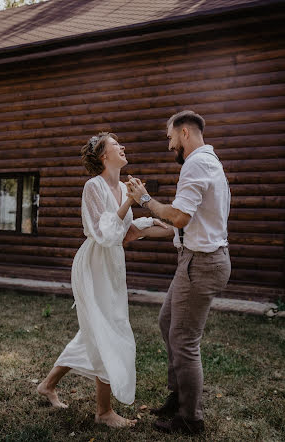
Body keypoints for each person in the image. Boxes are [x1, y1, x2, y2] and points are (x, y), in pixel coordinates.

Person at [37, 132, 170, 428]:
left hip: (112, 264)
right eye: (115, 145)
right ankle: (104, 412)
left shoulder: (124, 189)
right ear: (102, 156)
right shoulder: (92, 187)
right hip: (93, 263)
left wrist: (161, 227)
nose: (122, 147)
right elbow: (104, 232)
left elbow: (123, 233)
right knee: (108, 329)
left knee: (94, 331)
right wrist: (129, 204)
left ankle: (47, 385)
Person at [126, 110, 231, 436]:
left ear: (184, 132)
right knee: (168, 323)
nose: (170, 145)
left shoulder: (196, 164)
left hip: (201, 263)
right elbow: (183, 223)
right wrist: (144, 231)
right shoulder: (208, 162)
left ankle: (190, 418)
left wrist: (145, 200)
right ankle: (178, 396)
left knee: (184, 340)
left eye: (170, 137)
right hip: (198, 258)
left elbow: (181, 217)